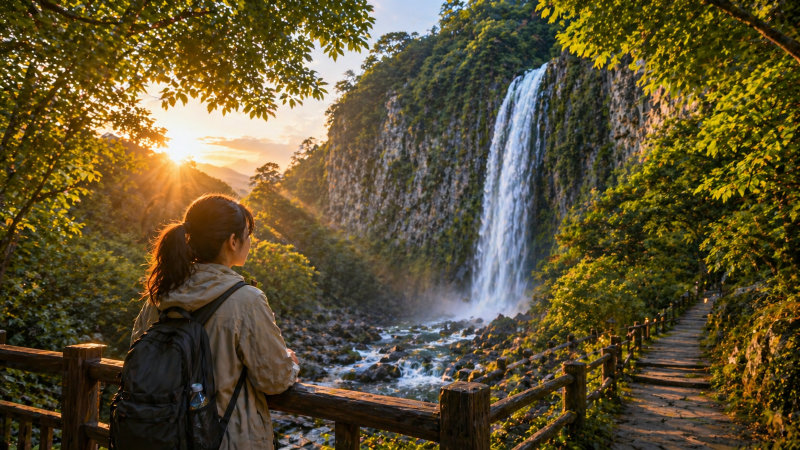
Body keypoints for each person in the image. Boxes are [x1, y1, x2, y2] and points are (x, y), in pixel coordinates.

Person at [131, 193, 299, 449]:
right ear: (233, 241)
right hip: (227, 439)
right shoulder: (246, 300)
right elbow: (274, 380)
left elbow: (136, 363)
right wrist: (290, 362)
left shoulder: (159, 297)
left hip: (164, 437)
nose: (249, 241)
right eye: (247, 233)